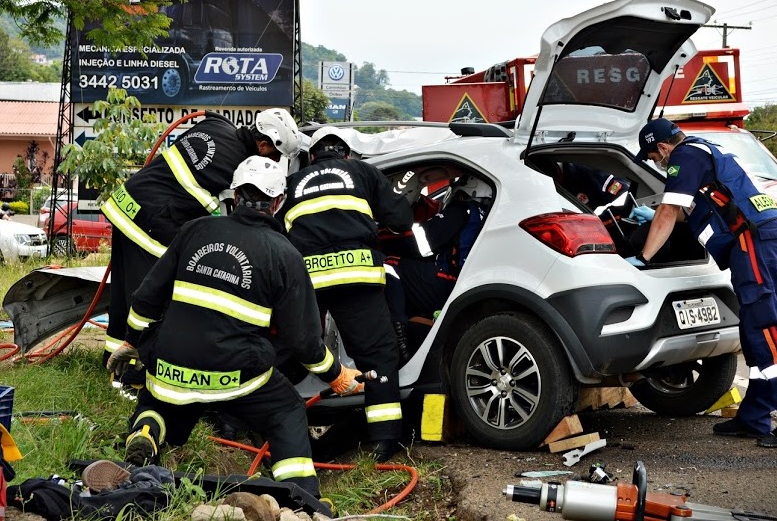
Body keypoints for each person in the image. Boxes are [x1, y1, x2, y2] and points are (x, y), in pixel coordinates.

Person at [105, 156, 362, 498]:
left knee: (158, 400)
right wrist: (338, 377)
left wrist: (133, 342)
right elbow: (303, 342)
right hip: (234, 375)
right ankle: (299, 495)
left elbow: (144, 300)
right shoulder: (284, 254)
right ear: (278, 202)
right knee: (285, 410)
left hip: (171, 367)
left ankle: (147, 431)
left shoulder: (194, 230)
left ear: (235, 196)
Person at [631, 118, 777, 448]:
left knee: (768, 327)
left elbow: (668, 211)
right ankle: (755, 416)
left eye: (651, 157)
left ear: (661, 148)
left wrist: (645, 256)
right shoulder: (706, 150)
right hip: (763, 238)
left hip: (754, 242)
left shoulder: (684, 156)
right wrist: (659, 214)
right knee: (754, 330)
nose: (654, 163)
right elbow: (686, 210)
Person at [101, 109, 301, 388]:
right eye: (275, 157)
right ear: (264, 145)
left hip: (125, 204)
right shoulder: (238, 166)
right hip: (149, 222)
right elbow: (235, 216)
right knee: (150, 299)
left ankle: (112, 360)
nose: (273, 163)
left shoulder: (219, 125)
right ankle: (134, 378)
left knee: (124, 296)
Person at [281, 126, 413, 462]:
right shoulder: (363, 172)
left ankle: (259, 425)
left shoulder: (294, 183)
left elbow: (277, 229)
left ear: (311, 156)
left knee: (292, 348)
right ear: (346, 153)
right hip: (355, 275)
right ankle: (385, 442)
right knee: (378, 356)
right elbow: (400, 219)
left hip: (309, 281)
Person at [383, 175, 491, 366]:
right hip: (465, 284)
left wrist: (382, 244)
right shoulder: (485, 215)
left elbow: (424, 243)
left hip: (448, 282)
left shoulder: (461, 210)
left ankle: (397, 340)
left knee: (390, 265)